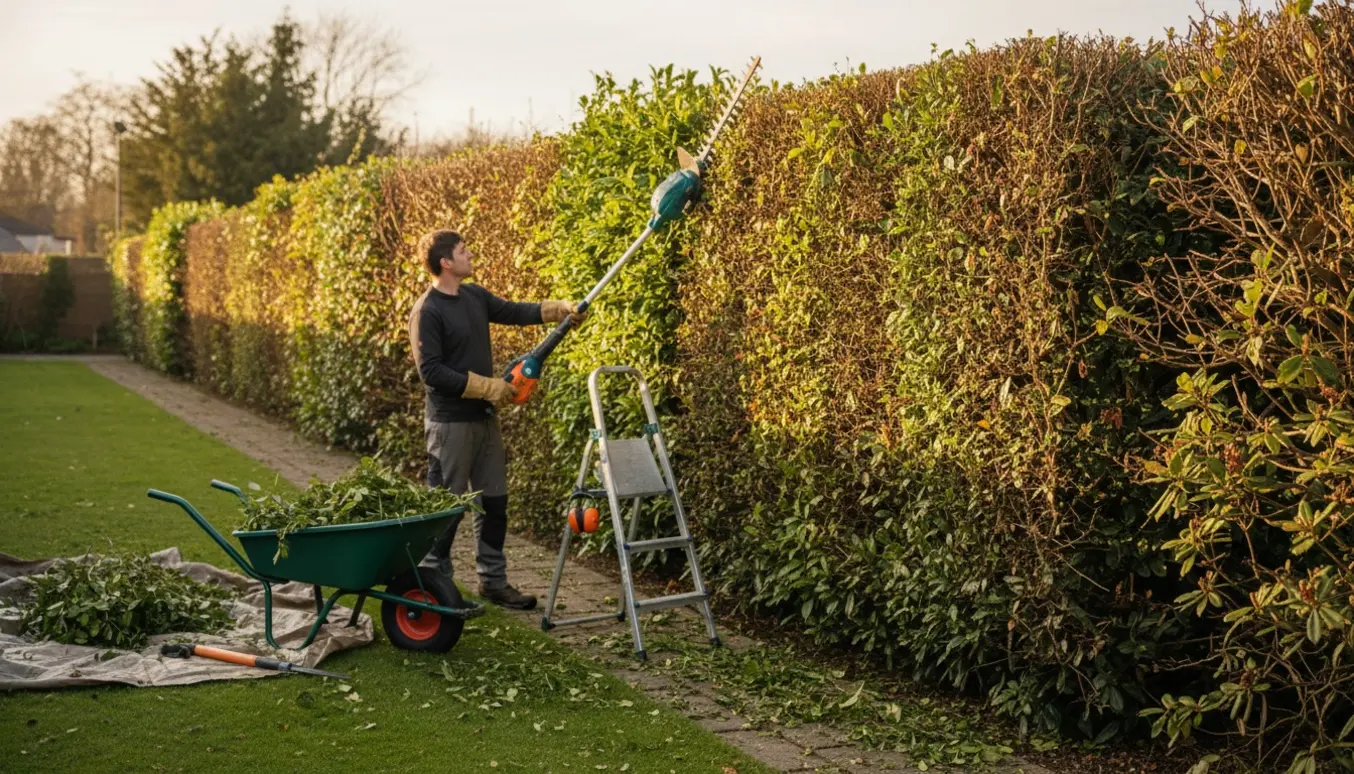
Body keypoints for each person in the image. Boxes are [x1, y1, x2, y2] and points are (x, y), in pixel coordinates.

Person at [407, 229, 583, 610]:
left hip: (484, 421)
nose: (470, 254)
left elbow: (513, 311)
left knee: (494, 502)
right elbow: (431, 373)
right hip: (449, 425)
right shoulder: (427, 311)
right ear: (445, 262)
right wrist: (488, 387)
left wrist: (559, 309)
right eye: (463, 250)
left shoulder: (474, 296)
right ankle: (432, 586)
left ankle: (493, 581)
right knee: (445, 507)